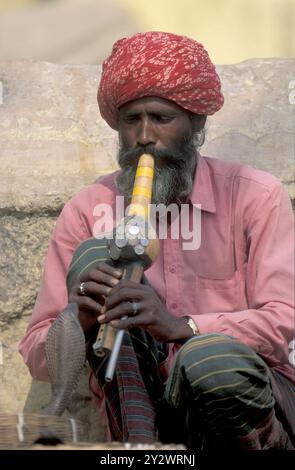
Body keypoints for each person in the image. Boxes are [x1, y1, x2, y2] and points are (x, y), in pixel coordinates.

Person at [19, 31, 294, 450]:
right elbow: (37, 352)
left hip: (239, 408)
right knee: (98, 254)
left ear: (196, 123)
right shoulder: (87, 208)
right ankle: (143, 447)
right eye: (132, 120)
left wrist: (181, 328)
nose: (144, 136)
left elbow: (283, 320)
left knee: (206, 360)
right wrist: (82, 318)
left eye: (161, 119)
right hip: (142, 407)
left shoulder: (256, 196)